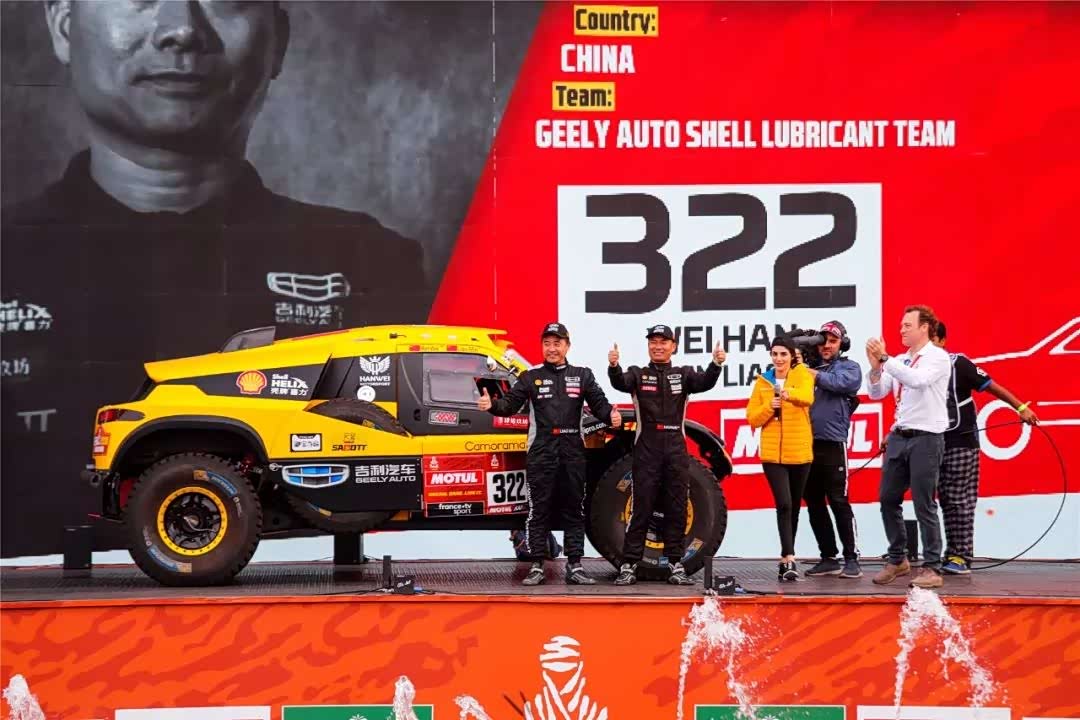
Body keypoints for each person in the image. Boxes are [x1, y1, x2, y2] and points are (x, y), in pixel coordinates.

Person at [1, 1, 431, 555]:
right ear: (64, 26)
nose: (182, 30)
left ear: (277, 41)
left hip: (296, 592)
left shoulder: (371, 261)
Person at [480, 322, 622, 586]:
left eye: (557, 343)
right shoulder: (530, 377)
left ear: (567, 346)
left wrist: (611, 416)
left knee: (574, 510)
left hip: (572, 451)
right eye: (547, 343)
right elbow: (508, 405)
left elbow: (600, 406)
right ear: (542, 346)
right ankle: (537, 566)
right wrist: (492, 405)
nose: (552, 348)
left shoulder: (582, 375)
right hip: (541, 451)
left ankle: (575, 565)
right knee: (539, 510)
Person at [607, 324, 726, 586]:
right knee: (641, 507)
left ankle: (676, 564)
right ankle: (629, 565)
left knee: (677, 507)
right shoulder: (638, 374)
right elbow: (620, 382)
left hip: (675, 447)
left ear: (673, 346)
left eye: (663, 342)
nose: (658, 346)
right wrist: (614, 366)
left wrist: (716, 364)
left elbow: (704, 383)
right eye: (653, 342)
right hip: (647, 447)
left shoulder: (684, 374)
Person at [932, 321, 1040, 575]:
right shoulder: (916, 367)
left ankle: (961, 557)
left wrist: (1021, 408)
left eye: (933, 340)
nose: (929, 345)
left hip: (961, 440)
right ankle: (945, 554)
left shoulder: (959, 364)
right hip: (931, 441)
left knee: (959, 500)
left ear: (943, 341)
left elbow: (991, 385)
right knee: (943, 499)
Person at [866, 305, 952, 589]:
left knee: (923, 502)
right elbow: (877, 392)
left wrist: (885, 359)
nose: (901, 330)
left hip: (926, 437)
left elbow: (917, 380)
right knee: (888, 498)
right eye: (901, 325)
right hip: (899, 436)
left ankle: (931, 566)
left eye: (907, 325)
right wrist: (875, 367)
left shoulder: (937, 357)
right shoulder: (902, 359)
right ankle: (897, 558)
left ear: (924, 327)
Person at [746, 334, 815, 581]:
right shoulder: (763, 381)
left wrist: (788, 393)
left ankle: (787, 557)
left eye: (783, 354)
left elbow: (807, 397)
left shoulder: (802, 375)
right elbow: (752, 417)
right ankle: (789, 557)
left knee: (794, 506)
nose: (778, 359)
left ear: (792, 356)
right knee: (783, 503)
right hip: (773, 455)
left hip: (800, 452)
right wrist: (769, 407)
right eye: (775, 354)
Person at [799, 321, 864, 579]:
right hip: (806, 443)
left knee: (838, 500)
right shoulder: (805, 368)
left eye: (833, 341)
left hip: (833, 443)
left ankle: (852, 558)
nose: (826, 345)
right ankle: (828, 557)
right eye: (822, 341)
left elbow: (843, 383)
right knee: (814, 502)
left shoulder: (849, 367)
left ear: (842, 344)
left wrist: (810, 373)